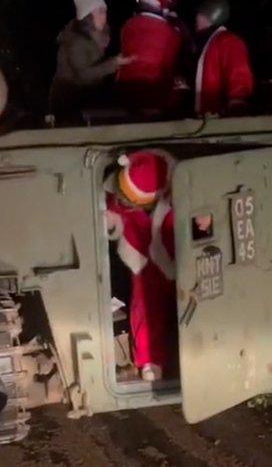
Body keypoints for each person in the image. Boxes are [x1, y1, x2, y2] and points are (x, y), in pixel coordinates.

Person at [104, 150, 177, 382]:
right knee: (145, 306)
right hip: (143, 263)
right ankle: (150, 360)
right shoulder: (120, 189)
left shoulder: (178, 191)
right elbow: (110, 211)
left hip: (178, 257)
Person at [49, 0, 133, 124]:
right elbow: (82, 75)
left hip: (87, 97)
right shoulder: (76, 41)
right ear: (88, 16)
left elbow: (97, 69)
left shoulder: (97, 37)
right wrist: (114, 63)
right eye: (100, 12)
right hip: (69, 101)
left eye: (105, 11)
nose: (104, 16)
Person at [116, 0, 185, 116]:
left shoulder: (127, 26)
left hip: (127, 91)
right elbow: (174, 58)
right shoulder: (169, 32)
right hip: (155, 92)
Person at [192, 0, 255, 116]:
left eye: (201, 14)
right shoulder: (208, 43)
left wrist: (237, 100)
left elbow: (238, 71)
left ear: (213, 16)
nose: (196, 18)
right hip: (206, 117)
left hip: (218, 116)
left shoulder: (228, 41)